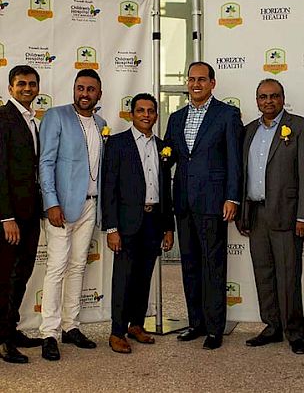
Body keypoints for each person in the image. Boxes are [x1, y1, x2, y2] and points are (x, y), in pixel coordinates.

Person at [164, 61, 243, 350]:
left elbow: (235, 159)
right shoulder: (176, 117)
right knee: (190, 266)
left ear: (212, 83)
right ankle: (195, 323)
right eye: (191, 79)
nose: (195, 84)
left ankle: (214, 328)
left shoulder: (228, 115)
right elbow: (170, 156)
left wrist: (232, 197)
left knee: (213, 267)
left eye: (201, 79)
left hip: (213, 203)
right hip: (183, 203)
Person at [237, 79, 304, 355]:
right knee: (264, 274)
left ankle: (294, 332)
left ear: (283, 98)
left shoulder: (301, 128)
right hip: (256, 214)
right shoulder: (248, 131)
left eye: (273, 96)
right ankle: (272, 326)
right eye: (262, 97)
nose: (268, 101)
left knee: (289, 276)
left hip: (287, 214)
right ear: (256, 100)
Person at [39, 68, 107, 361]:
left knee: (78, 266)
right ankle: (49, 333)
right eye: (80, 88)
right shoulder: (56, 116)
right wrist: (51, 202)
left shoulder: (102, 123)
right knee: (56, 268)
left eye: (90, 89)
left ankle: (71, 326)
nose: (84, 94)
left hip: (90, 205)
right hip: (62, 207)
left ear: (99, 94)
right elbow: (45, 162)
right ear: (74, 90)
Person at [102, 93, 175, 354]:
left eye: (151, 111)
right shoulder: (117, 144)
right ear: (131, 114)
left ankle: (136, 325)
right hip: (126, 223)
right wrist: (111, 228)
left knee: (144, 277)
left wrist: (168, 227)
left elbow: (166, 189)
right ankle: (117, 331)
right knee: (123, 278)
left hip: (153, 220)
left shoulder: (162, 146)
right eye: (141, 110)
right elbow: (108, 188)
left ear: (156, 115)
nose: (146, 115)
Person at [0, 65, 43, 363]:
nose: (27, 88)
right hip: (11, 218)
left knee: (22, 275)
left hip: (30, 214)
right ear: (10, 88)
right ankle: (3, 342)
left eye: (31, 84)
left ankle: (11, 329)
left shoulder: (31, 120)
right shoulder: (3, 118)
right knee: (5, 279)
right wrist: (6, 217)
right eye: (21, 84)